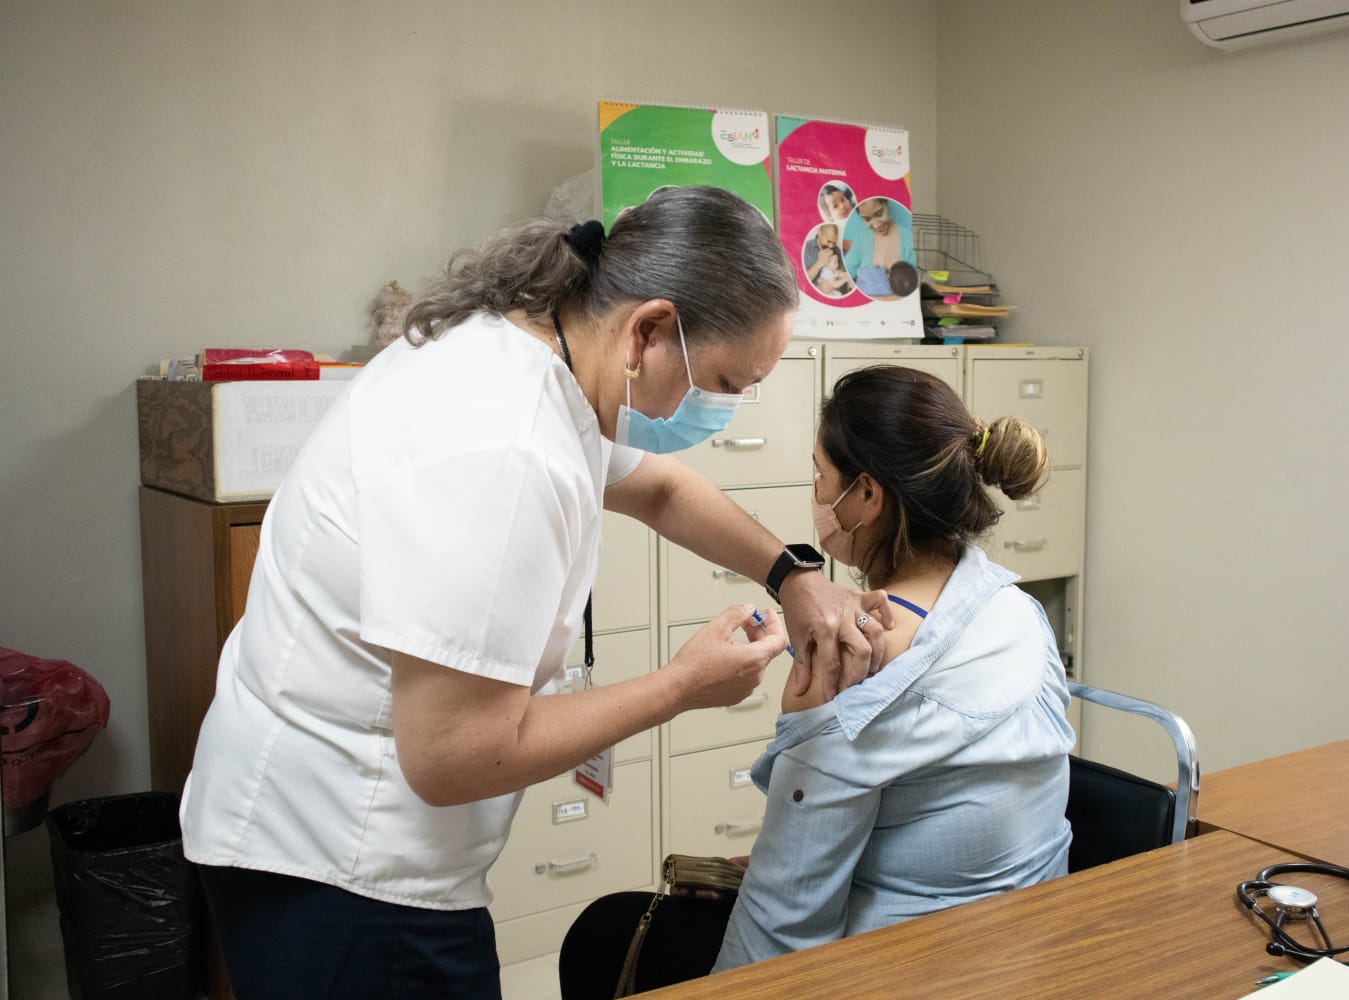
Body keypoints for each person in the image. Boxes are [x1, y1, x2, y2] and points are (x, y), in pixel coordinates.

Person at [179, 185, 892, 1000]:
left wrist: (790, 574)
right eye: (725, 380)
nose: (723, 411)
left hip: (320, 820)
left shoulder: (530, 349)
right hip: (340, 858)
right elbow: (453, 756)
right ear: (649, 330)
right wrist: (681, 686)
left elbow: (658, 488)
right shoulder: (499, 449)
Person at [559, 365, 1074, 996]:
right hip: (1026, 945)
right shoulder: (1016, 609)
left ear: (866, 495)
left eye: (818, 475)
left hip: (909, 964)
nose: (813, 493)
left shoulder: (853, 660)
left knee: (600, 934)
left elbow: (786, 919)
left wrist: (781, 836)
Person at [842, 196, 916, 297]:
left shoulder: (909, 239)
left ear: (887, 205)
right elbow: (846, 273)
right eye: (867, 219)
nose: (876, 225)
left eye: (879, 214)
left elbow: (913, 287)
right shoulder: (861, 239)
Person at [803, 223, 855, 296]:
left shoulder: (836, 250)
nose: (831, 246)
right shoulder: (805, 248)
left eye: (834, 243)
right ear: (819, 232)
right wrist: (819, 263)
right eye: (829, 241)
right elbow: (801, 281)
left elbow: (841, 271)